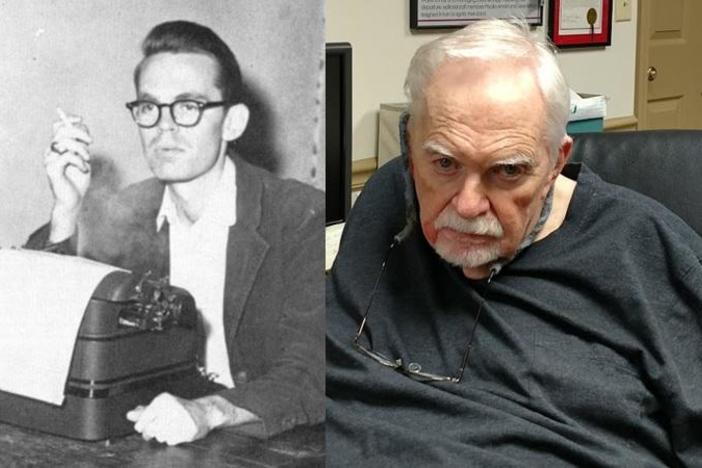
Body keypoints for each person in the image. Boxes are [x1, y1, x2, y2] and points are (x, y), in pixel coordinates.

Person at [326, 19, 702, 466]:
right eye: (444, 163)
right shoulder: (392, 195)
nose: (467, 205)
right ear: (411, 145)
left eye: (507, 171)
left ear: (555, 162)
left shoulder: (645, 248)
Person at [27, 20, 324, 445]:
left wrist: (207, 412)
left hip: (271, 441)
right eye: (149, 108)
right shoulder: (130, 212)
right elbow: (48, 341)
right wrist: (67, 210)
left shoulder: (303, 217)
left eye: (188, 106)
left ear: (232, 122)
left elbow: (313, 370)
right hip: (159, 437)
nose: (164, 127)